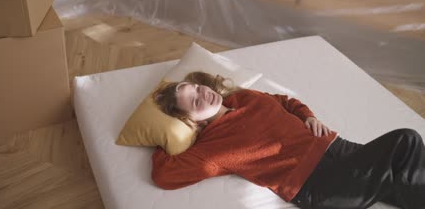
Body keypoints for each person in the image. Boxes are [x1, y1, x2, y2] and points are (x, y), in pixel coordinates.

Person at [151, 71, 425, 209]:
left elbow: (285, 101)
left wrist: (308, 117)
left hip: (341, 150)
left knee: (401, 174)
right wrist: (161, 134)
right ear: (193, 120)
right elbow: (164, 175)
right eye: (195, 102)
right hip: (320, 184)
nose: (205, 94)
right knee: (405, 141)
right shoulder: (212, 148)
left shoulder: (243, 97)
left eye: (199, 88)